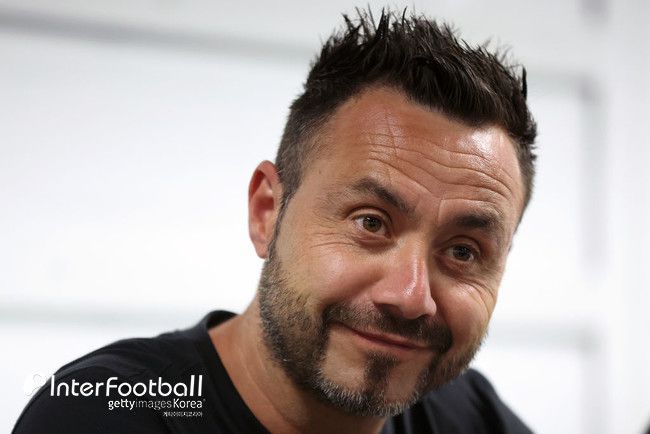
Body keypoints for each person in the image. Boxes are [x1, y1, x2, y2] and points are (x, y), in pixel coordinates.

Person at [13, 9, 537, 434]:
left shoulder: (468, 415)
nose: (410, 296)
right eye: (371, 223)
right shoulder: (105, 416)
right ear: (267, 213)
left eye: (464, 251)